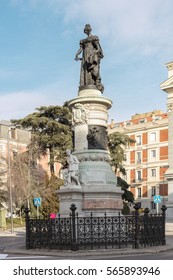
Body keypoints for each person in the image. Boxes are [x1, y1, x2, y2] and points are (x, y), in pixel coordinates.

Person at [75, 24, 104, 93]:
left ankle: (93, 83)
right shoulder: (83, 40)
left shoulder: (93, 38)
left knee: (91, 69)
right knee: (85, 70)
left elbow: (98, 48)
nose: (86, 31)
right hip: (85, 56)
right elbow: (81, 48)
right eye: (85, 30)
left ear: (89, 30)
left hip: (90, 56)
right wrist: (76, 54)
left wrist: (95, 53)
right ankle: (85, 84)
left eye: (87, 30)